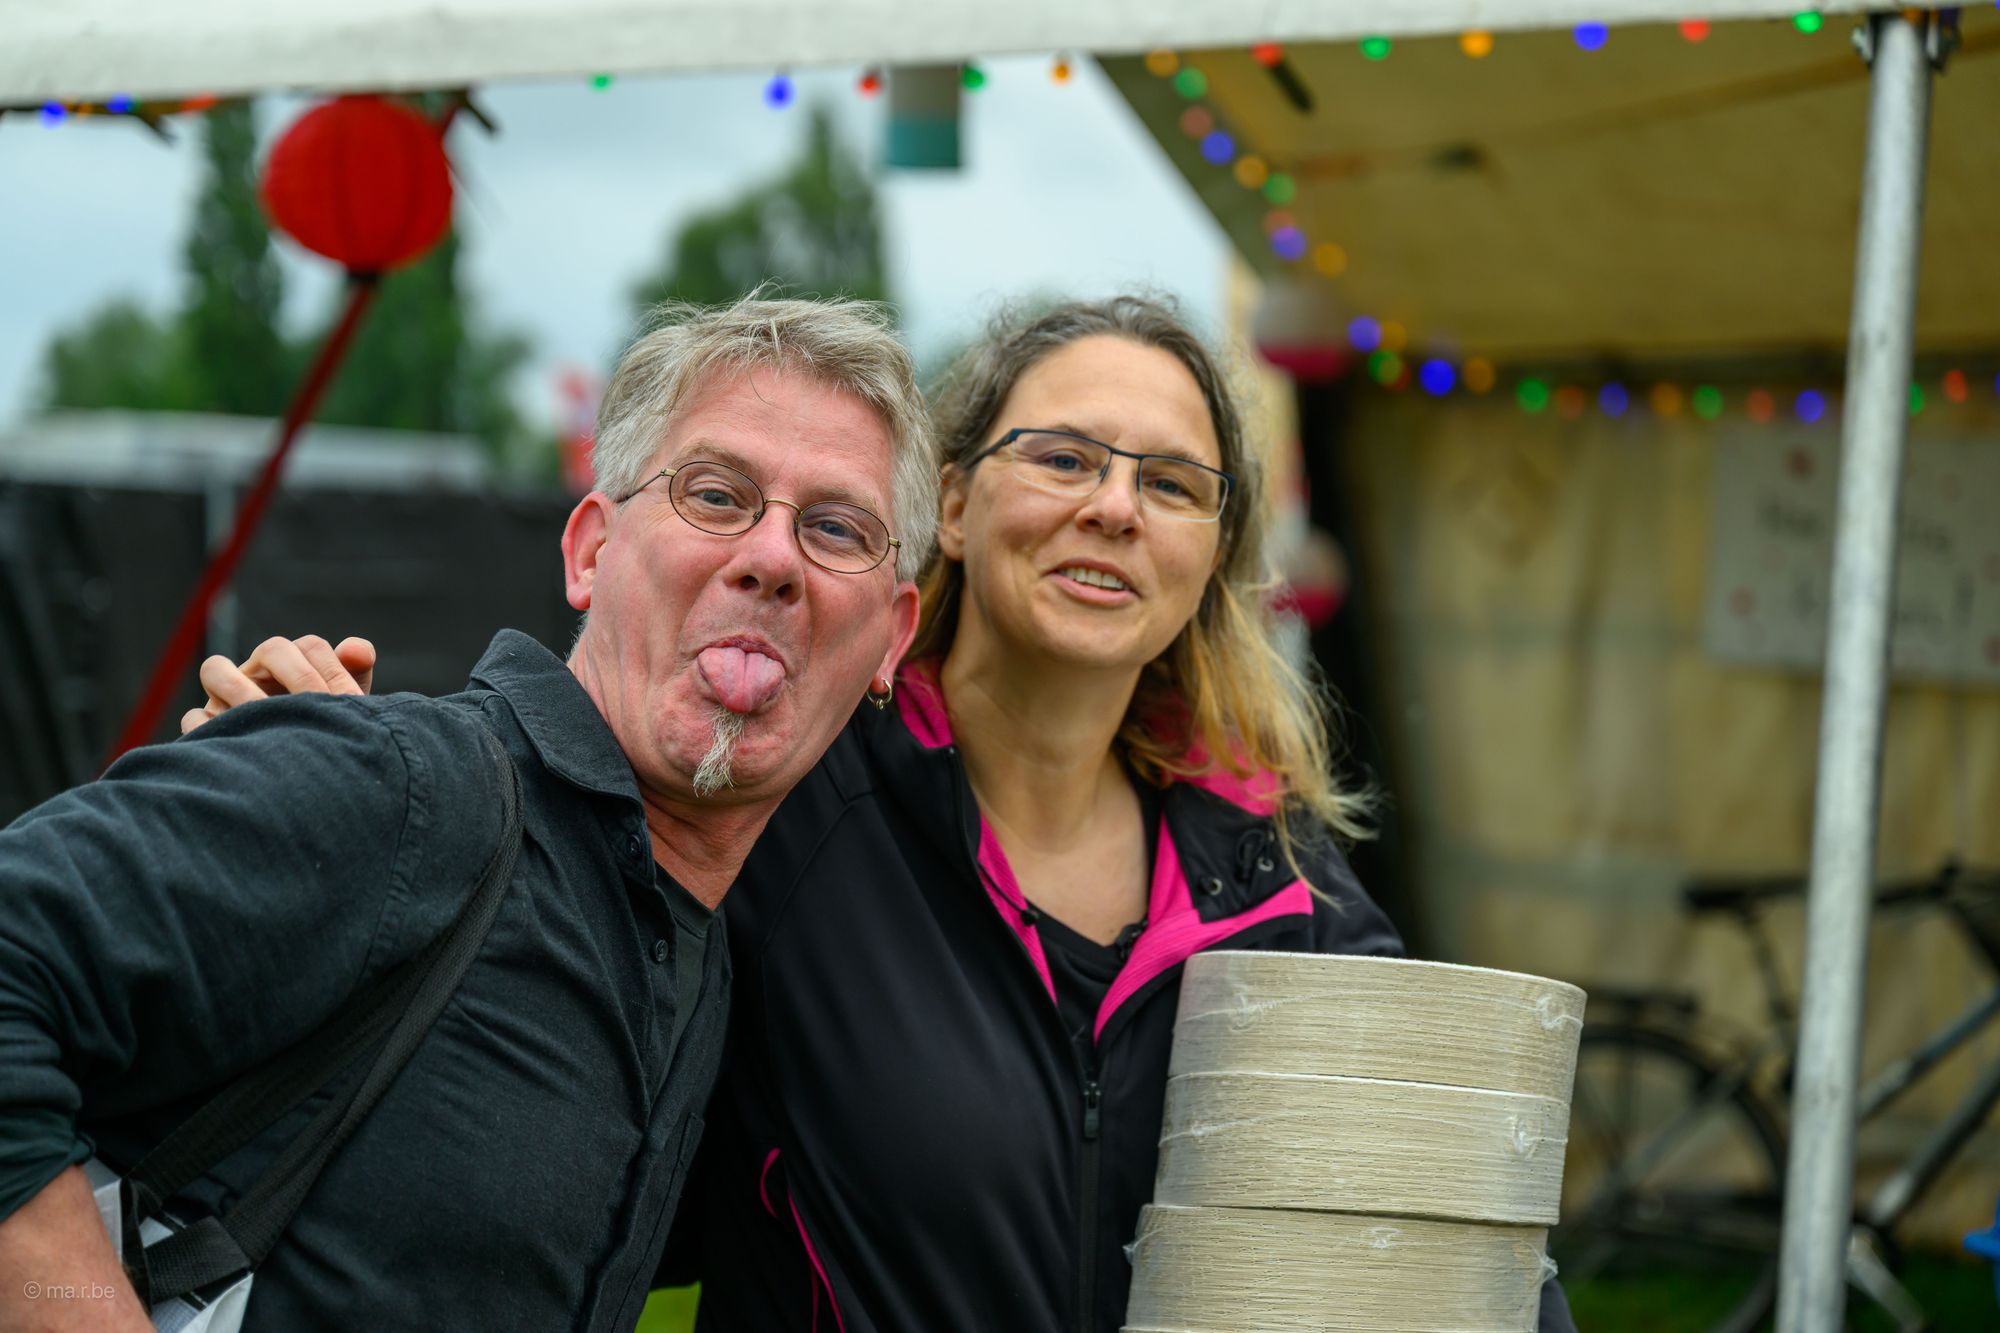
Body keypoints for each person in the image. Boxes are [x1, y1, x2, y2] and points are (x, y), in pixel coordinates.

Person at [186, 295, 1575, 1332]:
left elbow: (1454, 1225)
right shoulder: (786, 795)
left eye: (1170, 483)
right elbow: (541, 834)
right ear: (950, 509)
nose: (1114, 507)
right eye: (1065, 457)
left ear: (1213, 553)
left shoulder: (1270, 879)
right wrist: (327, 767)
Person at [0, 295, 929, 1332]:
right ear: (590, 551)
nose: (773, 558)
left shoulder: (699, 966)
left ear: (893, 638)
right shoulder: (407, 787)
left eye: (836, 528)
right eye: (715, 494)